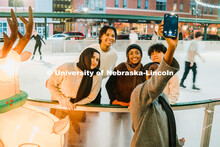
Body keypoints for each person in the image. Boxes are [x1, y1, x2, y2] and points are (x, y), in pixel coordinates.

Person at [130, 21, 185, 147]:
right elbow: (157, 83)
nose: (155, 73)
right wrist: (171, 48)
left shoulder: (163, 99)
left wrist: (176, 143)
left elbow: (166, 127)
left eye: (157, 70)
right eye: (151, 71)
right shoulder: (138, 93)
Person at [82, 25, 118, 104]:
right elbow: (75, 65)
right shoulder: (91, 49)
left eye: (113, 36)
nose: (110, 38)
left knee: (94, 114)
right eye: (107, 35)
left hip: (97, 87)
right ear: (101, 36)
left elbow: (110, 72)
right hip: (82, 85)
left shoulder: (114, 54)